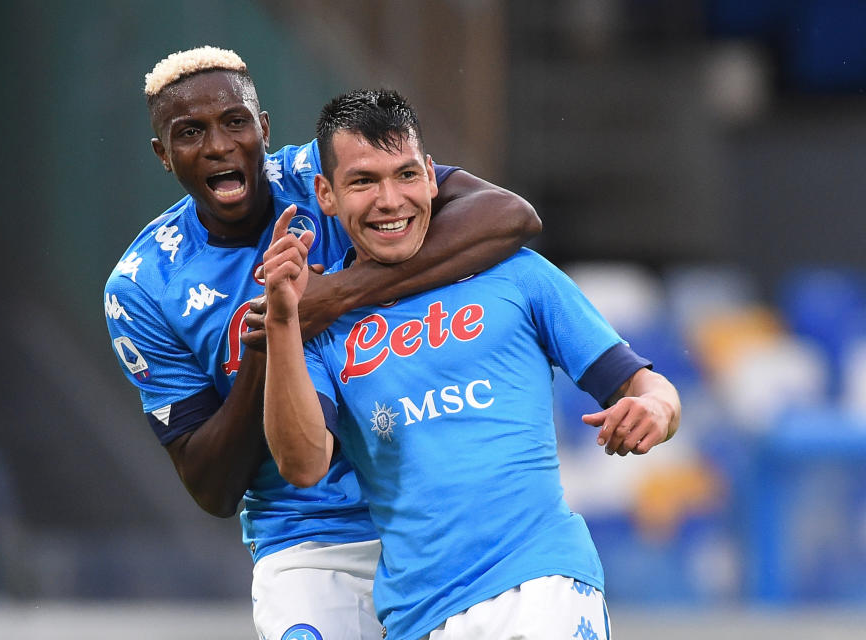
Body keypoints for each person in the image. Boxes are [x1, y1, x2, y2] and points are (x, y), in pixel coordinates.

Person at [103, 47, 540, 640]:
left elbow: (508, 216)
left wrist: (333, 296)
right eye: (189, 133)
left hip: (426, 508)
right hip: (305, 538)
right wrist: (273, 339)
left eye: (235, 122)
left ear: (263, 128)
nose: (218, 146)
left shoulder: (332, 176)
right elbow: (211, 485)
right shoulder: (143, 285)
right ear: (163, 155)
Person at [261, 89, 681, 640]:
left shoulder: (516, 273)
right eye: (364, 181)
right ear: (327, 195)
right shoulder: (317, 326)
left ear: (432, 178)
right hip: (419, 615)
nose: (391, 200)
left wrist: (655, 408)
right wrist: (282, 324)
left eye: (406, 175)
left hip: (541, 585)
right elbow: (303, 464)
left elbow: (647, 386)